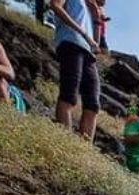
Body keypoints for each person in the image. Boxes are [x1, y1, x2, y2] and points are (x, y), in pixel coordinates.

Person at [50, 0, 101, 140]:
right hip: (70, 42)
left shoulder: (90, 8)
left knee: (93, 104)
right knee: (69, 95)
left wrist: (97, 18)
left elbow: (97, 43)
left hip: (88, 52)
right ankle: (65, 141)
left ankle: (84, 149)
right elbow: (54, 5)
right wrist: (82, 32)